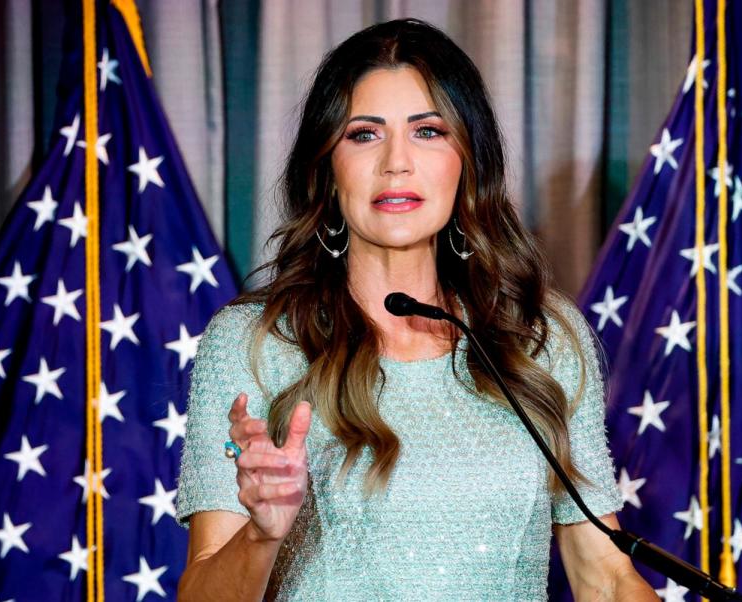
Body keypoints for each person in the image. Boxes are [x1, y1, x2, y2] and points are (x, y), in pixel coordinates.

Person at [175, 18, 656, 601]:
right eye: (364, 135)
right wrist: (261, 534)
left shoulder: (539, 332)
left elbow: (604, 576)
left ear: (468, 160)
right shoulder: (254, 341)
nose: (396, 162)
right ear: (326, 168)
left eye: (428, 131)